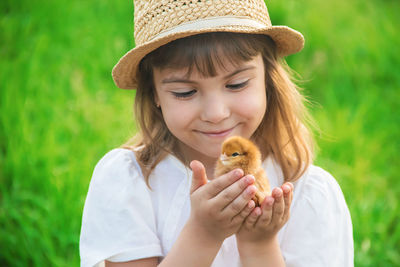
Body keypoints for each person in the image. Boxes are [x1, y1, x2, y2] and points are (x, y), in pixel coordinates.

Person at [79, 0, 354, 266]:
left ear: (268, 79)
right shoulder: (128, 183)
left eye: (236, 84)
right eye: (185, 92)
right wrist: (203, 234)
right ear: (154, 94)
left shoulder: (307, 194)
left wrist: (259, 245)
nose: (216, 113)